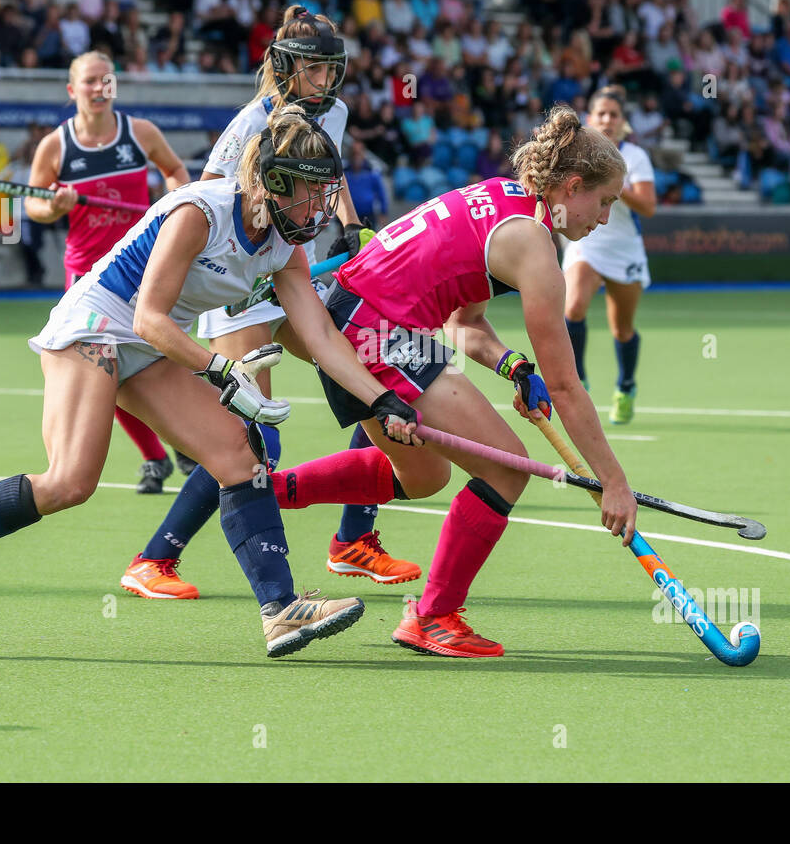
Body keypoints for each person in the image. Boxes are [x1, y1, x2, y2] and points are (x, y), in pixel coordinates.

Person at [0, 105, 422, 657]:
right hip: (98, 323)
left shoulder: (285, 243)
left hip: (149, 341)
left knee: (241, 456)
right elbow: (147, 317)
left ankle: (281, 611)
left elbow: (321, 339)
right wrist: (219, 370)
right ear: (272, 181)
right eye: (308, 191)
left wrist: (383, 400)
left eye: (324, 191)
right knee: (70, 482)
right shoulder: (202, 213)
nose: (318, 207)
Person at [260, 105, 638, 657]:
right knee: (506, 468)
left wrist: (514, 366)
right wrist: (614, 481)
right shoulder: (535, 247)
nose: (603, 219)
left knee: (422, 476)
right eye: (604, 202)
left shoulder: (502, 198)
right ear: (573, 186)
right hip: (373, 329)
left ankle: (267, 496)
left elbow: (465, 325)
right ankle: (434, 616)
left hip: (351, 316)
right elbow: (567, 388)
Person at [119, 4, 419, 600]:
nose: (325, 82)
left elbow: (327, 175)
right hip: (239, 283)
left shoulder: (332, 113)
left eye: (332, 71)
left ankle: (353, 542)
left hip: (288, 266)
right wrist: (244, 273)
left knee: (370, 376)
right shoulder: (251, 121)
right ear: (284, 69)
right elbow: (214, 196)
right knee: (254, 434)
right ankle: (154, 560)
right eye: (314, 70)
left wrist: (350, 227)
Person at [23, 50, 191, 494]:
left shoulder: (139, 133)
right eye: (90, 82)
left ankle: (186, 438)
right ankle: (156, 457)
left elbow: (175, 172)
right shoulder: (56, 146)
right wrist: (52, 207)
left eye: (106, 81)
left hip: (142, 267)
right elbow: (32, 203)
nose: (99, 89)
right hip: (88, 279)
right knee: (105, 371)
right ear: (71, 90)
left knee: (165, 353)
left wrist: (174, 208)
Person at [561, 87, 657, 423]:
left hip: (624, 249)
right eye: (601, 113)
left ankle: (626, 386)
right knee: (572, 307)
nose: (607, 120)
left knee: (622, 329)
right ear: (589, 119)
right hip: (587, 242)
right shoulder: (577, 155)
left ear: (623, 122)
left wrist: (615, 185)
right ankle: (579, 383)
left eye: (614, 115)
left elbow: (648, 206)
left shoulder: (635, 157)